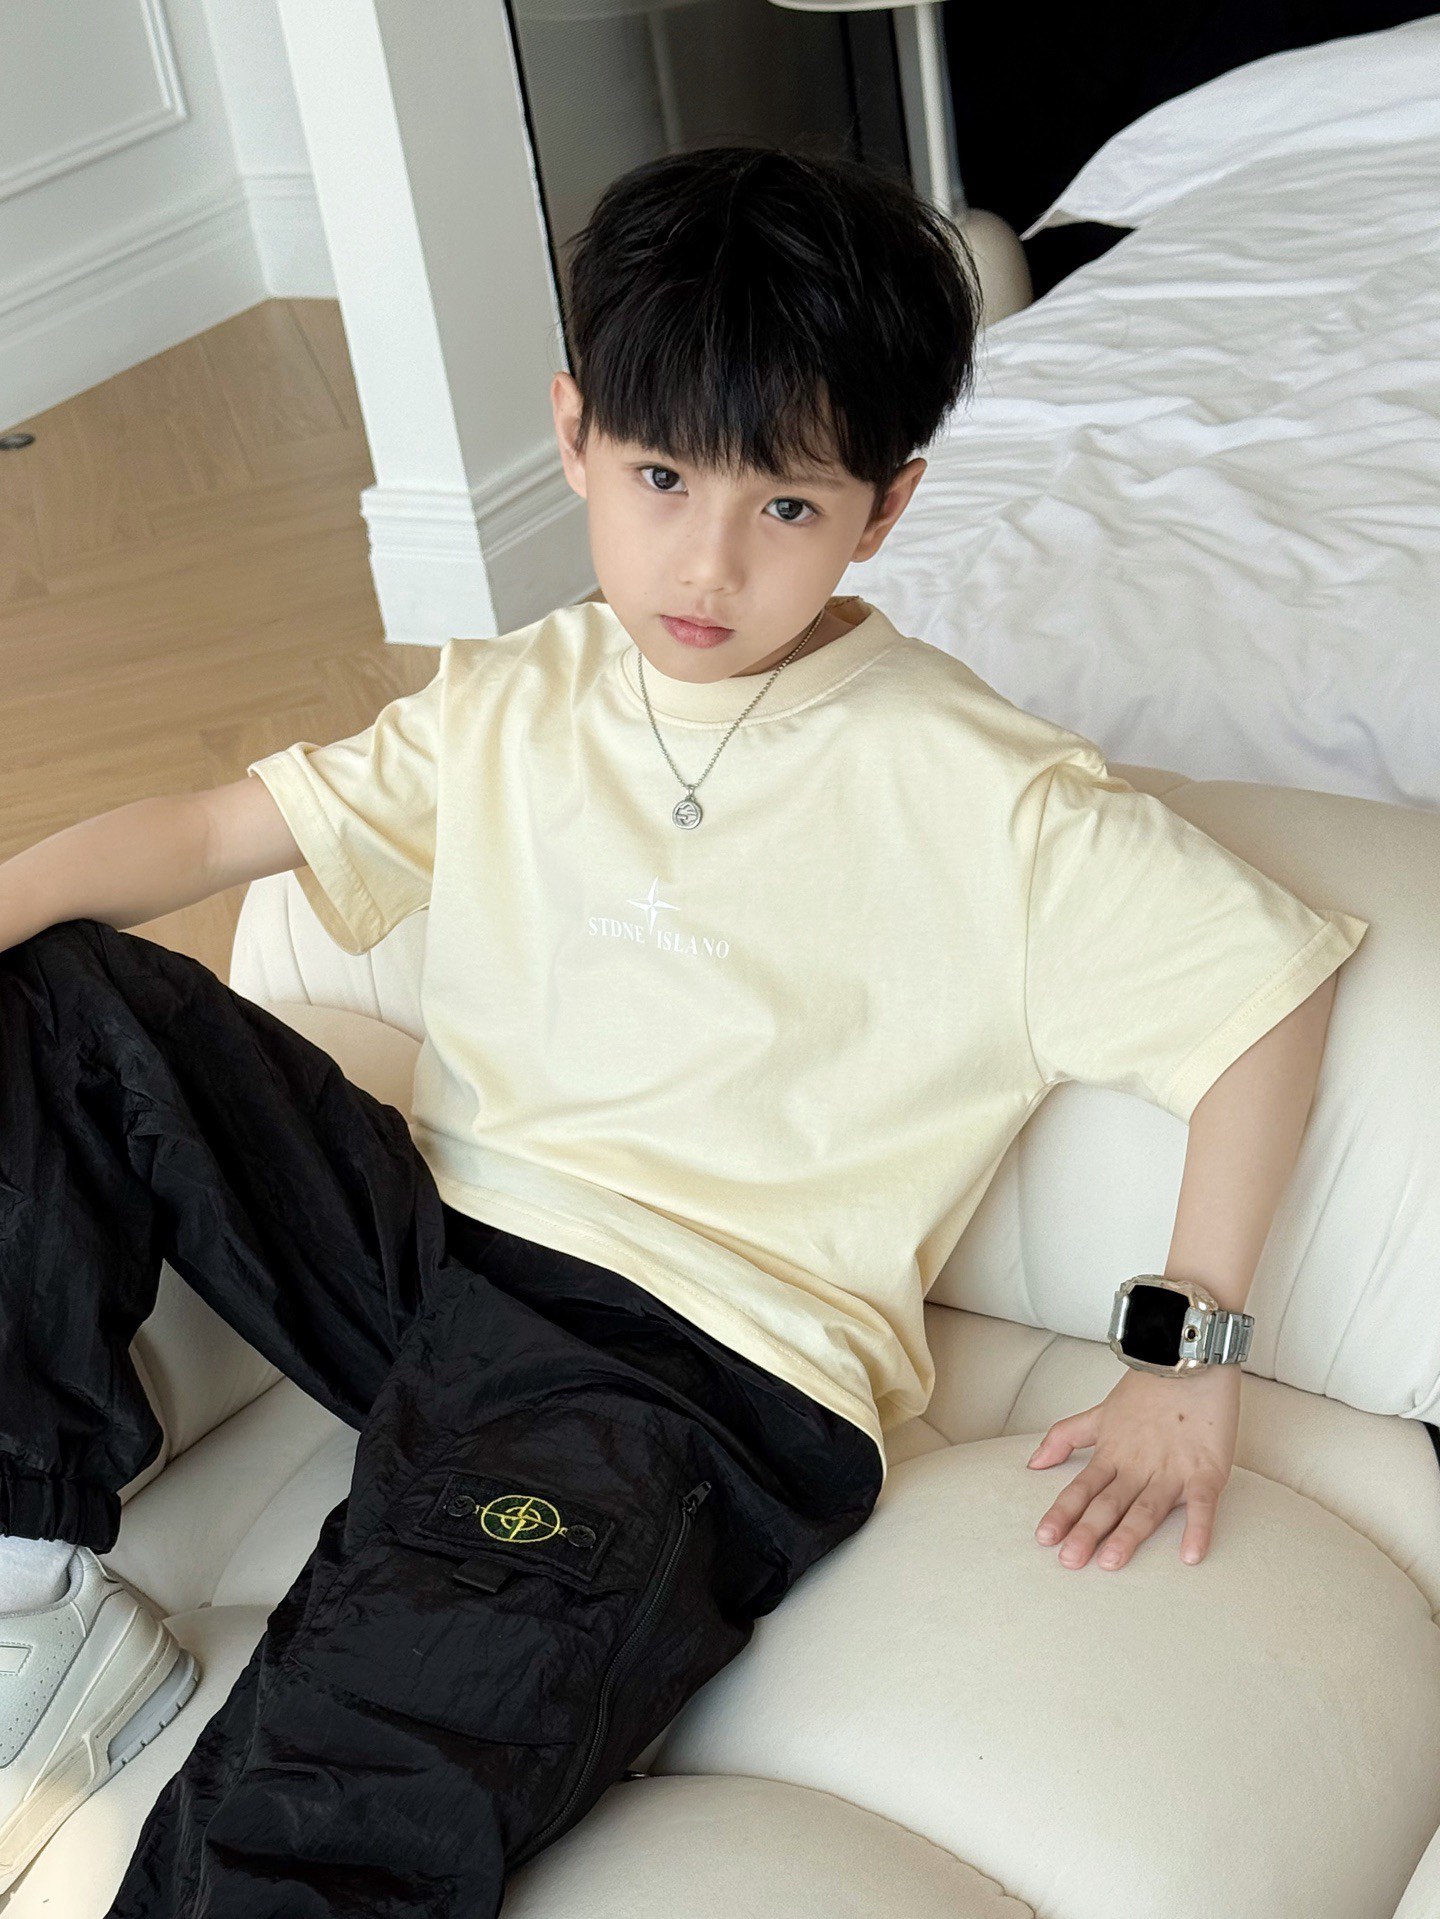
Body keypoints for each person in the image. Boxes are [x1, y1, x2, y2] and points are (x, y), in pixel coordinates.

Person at [0, 145, 1367, 1917]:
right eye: (661, 479)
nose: (707, 562)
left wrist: (1188, 1357)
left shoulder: (987, 792)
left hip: (689, 1382)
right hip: (432, 1255)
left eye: (786, 506)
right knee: (53, 992)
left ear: (886, 506)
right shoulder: (521, 694)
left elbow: (1270, 991)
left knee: (322, 1807)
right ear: (575, 436)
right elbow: (202, 834)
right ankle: (34, 1598)